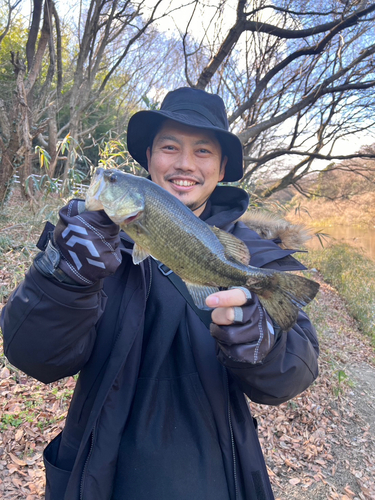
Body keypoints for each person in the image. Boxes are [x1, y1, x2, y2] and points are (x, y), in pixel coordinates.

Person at [1, 87, 319, 500]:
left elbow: (293, 376)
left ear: (222, 169)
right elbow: (33, 356)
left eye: (203, 151)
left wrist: (266, 344)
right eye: (170, 147)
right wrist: (63, 278)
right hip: (99, 465)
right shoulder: (87, 238)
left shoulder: (262, 258)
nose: (184, 163)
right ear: (149, 157)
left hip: (217, 469)